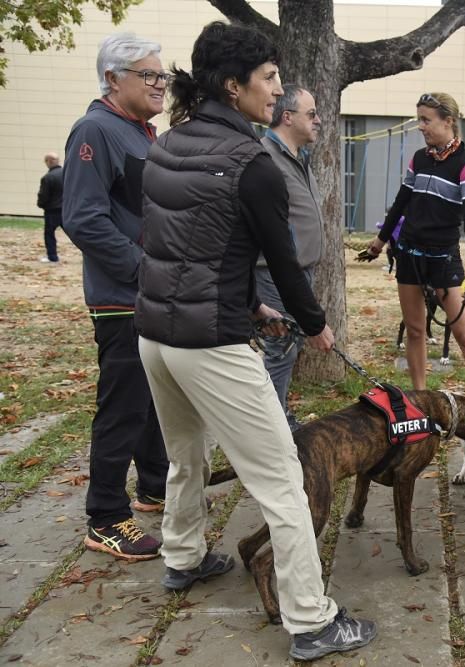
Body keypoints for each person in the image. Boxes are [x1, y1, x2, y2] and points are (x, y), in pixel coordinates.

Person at [134, 21, 375, 660]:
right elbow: (285, 262)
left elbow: (184, 248)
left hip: (156, 336)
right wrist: (315, 322)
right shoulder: (254, 164)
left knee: (185, 456)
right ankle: (311, 620)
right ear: (233, 85)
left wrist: (251, 304)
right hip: (210, 344)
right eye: (269, 79)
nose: (277, 90)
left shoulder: (167, 145)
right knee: (286, 480)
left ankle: (183, 558)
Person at [61, 32, 170, 561]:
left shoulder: (141, 133)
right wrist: (144, 269)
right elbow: (82, 217)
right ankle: (105, 515)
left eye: (162, 75)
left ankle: (154, 484)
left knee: (149, 396)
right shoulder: (96, 130)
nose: (161, 84)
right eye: (149, 75)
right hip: (120, 296)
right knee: (122, 405)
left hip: (149, 294)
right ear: (113, 79)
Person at [364, 92, 465, 393]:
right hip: (409, 254)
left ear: (448, 121)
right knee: (415, 330)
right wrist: (381, 241)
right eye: (419, 119)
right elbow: (401, 201)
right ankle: (421, 399)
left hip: (443, 259)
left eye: (426, 120)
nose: (420, 126)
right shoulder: (420, 158)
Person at [256, 84, 324, 431]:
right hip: (274, 274)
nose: (318, 121)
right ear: (287, 117)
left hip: (297, 273)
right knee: (279, 349)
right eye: (311, 114)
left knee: (288, 349)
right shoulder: (267, 157)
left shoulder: (297, 157)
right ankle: (271, 426)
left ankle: (275, 417)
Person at [37, 152, 64, 263]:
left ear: (49, 161)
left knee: (49, 234)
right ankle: (89, 254)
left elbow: (44, 196)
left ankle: (52, 257)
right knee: (75, 233)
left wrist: (41, 204)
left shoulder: (47, 178)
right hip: (67, 209)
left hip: (52, 210)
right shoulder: (68, 174)